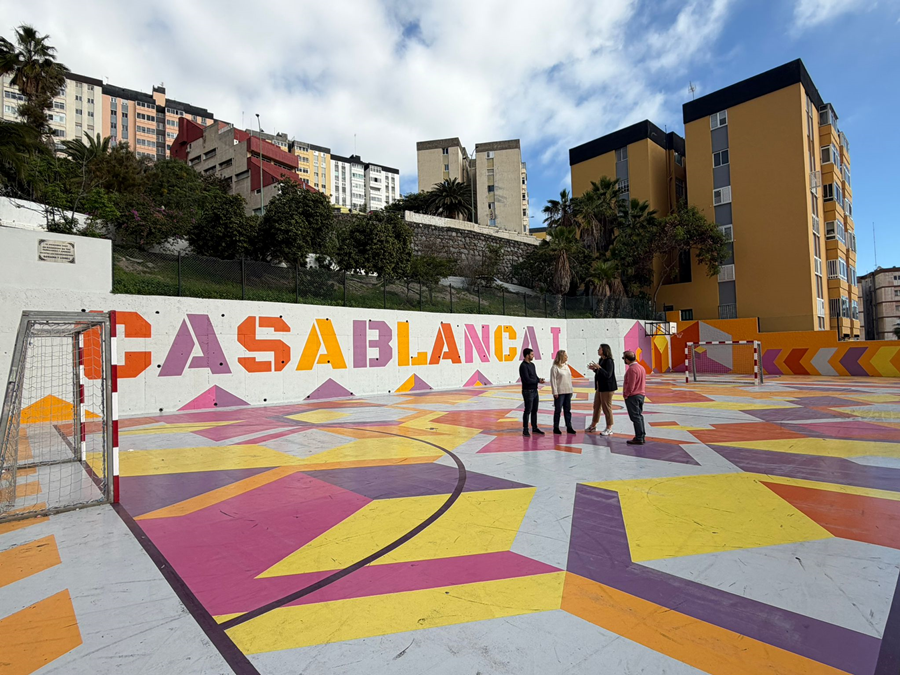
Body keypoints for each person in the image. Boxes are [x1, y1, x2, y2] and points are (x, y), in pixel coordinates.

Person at [587, 344, 616, 435]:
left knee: (606, 407)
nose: (598, 350)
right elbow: (600, 373)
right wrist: (594, 369)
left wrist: (599, 368)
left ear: (604, 350)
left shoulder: (609, 361)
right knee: (596, 406)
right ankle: (593, 425)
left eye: (599, 349)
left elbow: (608, 375)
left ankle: (609, 428)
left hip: (607, 388)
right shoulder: (601, 360)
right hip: (600, 387)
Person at [519, 348, 545, 437]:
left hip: (534, 390)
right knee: (527, 410)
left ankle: (534, 427)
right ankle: (525, 429)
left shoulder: (532, 365)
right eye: (532, 354)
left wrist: (539, 380)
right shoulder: (523, 366)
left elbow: (534, 376)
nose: (533, 356)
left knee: (534, 410)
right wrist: (537, 381)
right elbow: (526, 380)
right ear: (527, 355)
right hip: (528, 391)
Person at [622, 350, 646, 445]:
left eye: (624, 358)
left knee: (635, 417)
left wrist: (626, 394)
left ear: (627, 360)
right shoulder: (641, 368)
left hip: (633, 396)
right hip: (641, 394)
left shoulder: (632, 370)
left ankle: (639, 437)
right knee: (639, 416)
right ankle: (642, 435)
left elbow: (631, 385)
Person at [550, 349, 576, 435]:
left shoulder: (566, 366)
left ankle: (569, 426)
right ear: (561, 356)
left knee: (567, 410)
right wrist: (555, 392)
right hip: (560, 392)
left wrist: (571, 390)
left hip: (568, 391)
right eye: (565, 355)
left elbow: (569, 379)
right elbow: (553, 380)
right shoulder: (555, 367)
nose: (567, 357)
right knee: (558, 410)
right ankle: (556, 427)